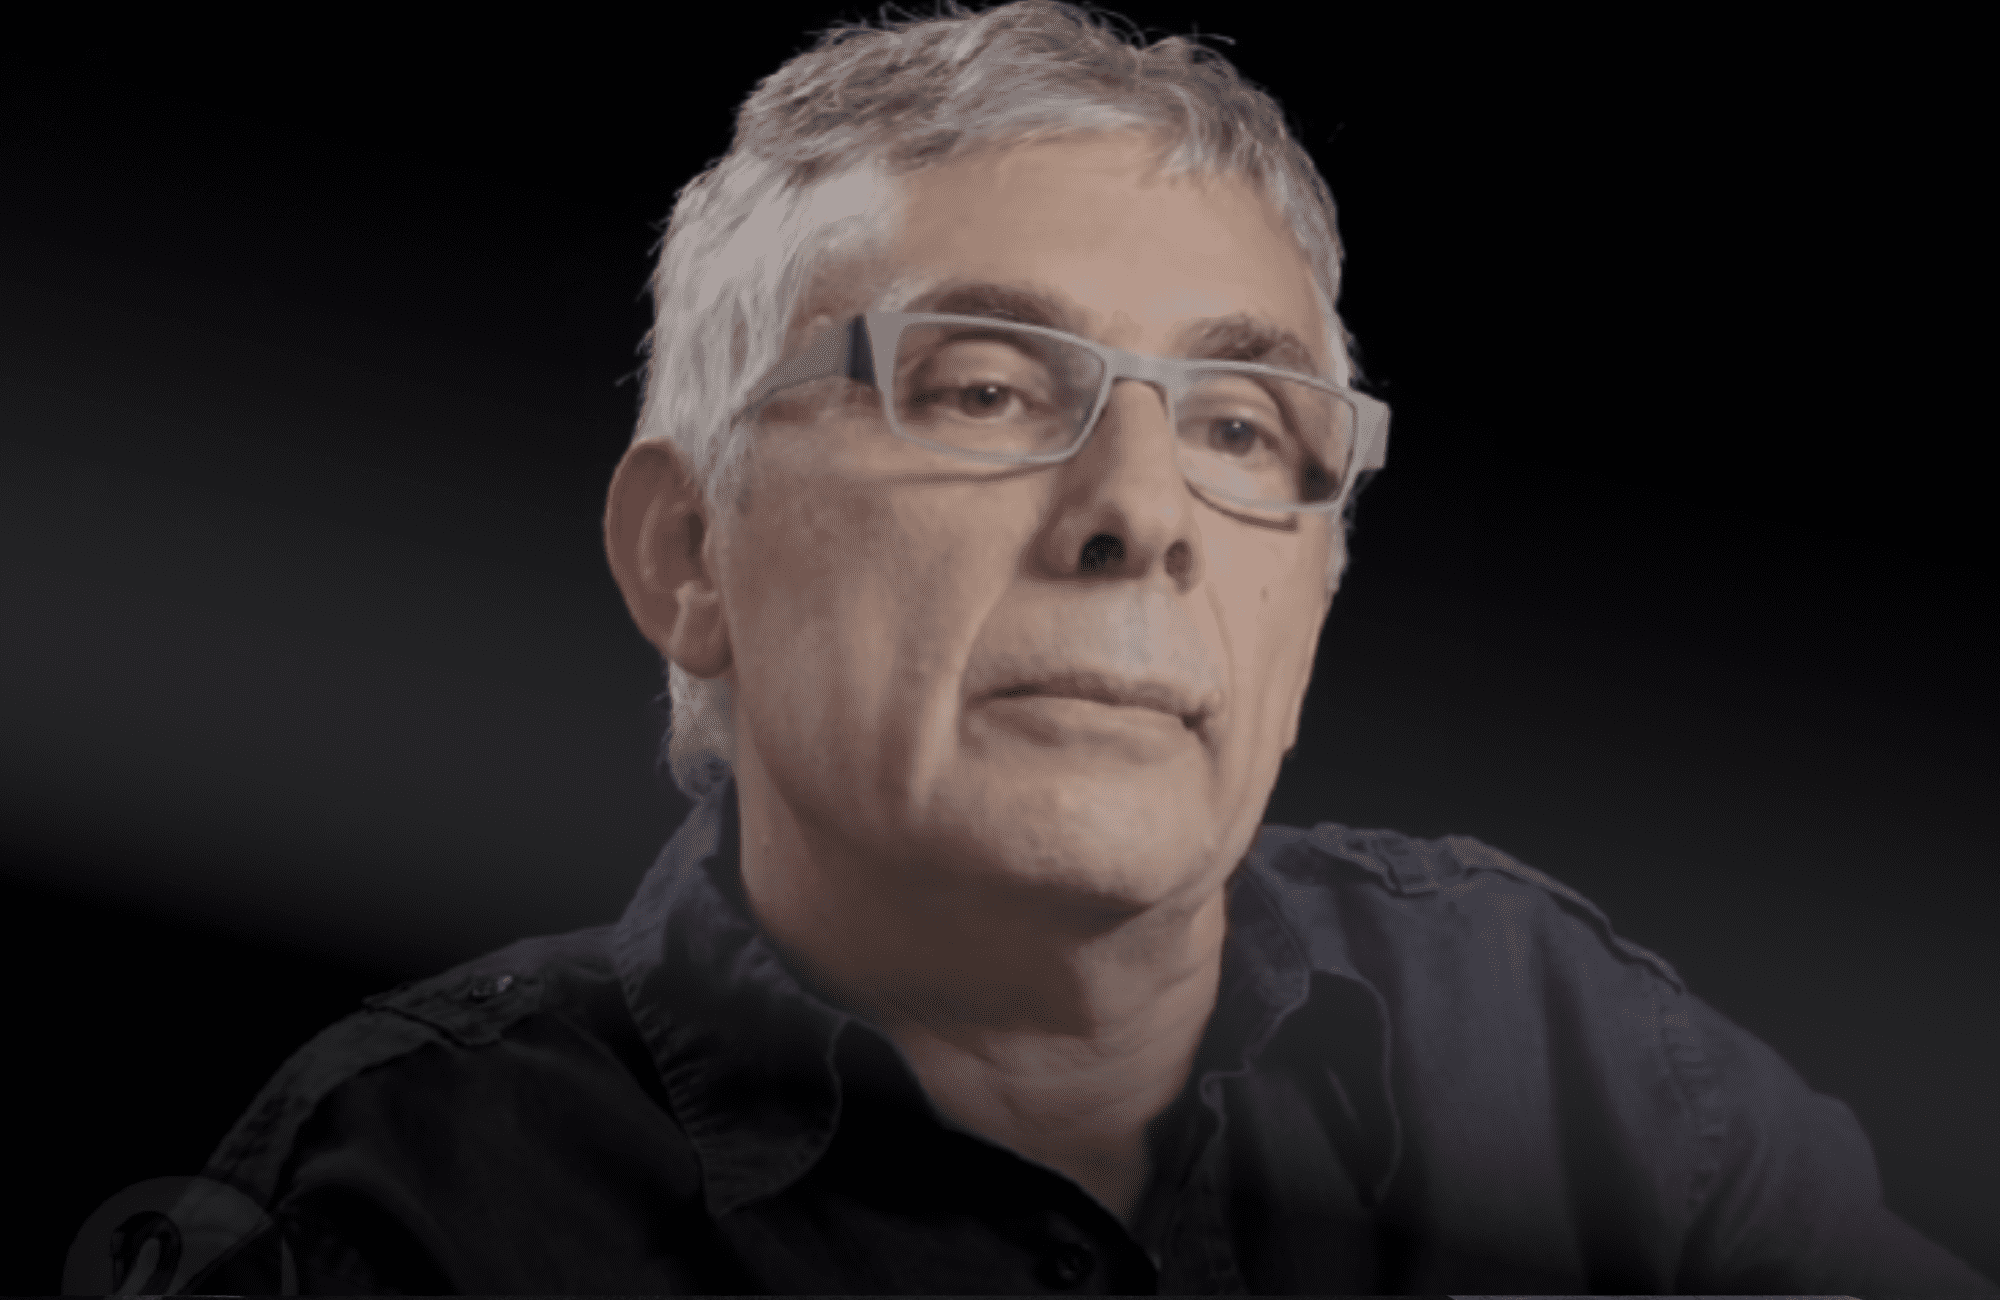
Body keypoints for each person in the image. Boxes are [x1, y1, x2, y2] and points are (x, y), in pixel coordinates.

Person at [178, 1, 1993, 1292]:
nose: (1142, 511)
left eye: (1239, 426)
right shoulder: (398, 1215)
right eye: (984, 388)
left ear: (1317, 591)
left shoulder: (1561, 1052)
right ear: (689, 553)